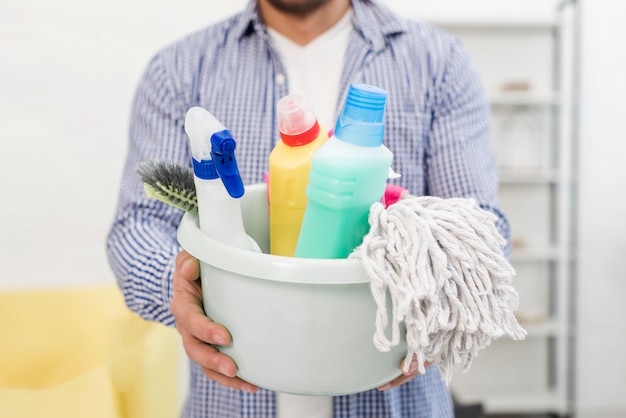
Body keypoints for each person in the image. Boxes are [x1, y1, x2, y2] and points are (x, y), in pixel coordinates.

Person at [106, 0, 511, 416]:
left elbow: (480, 230)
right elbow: (137, 225)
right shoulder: (178, 69)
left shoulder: (438, 62)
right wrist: (185, 291)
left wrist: (435, 302)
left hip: (394, 399)